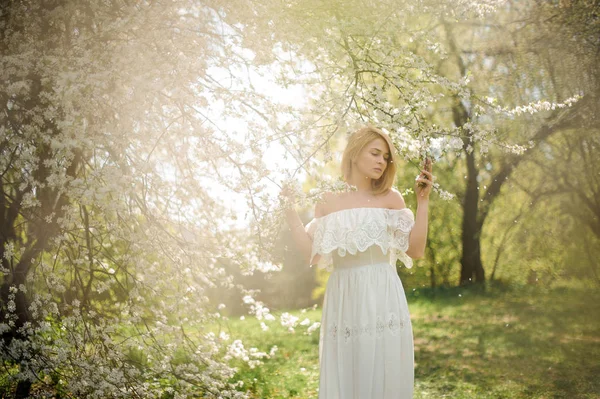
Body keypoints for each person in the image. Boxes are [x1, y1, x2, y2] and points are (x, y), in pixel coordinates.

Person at [280, 126, 433, 398]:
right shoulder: (327, 200)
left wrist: (423, 202)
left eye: (386, 157)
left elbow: (416, 249)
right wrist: (290, 213)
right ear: (353, 153)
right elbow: (311, 254)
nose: (381, 162)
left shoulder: (391, 198)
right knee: (349, 369)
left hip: (383, 292)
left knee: (383, 368)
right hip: (344, 295)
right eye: (375, 153)